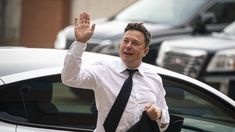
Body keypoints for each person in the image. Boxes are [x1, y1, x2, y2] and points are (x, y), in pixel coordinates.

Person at [61, 12, 170, 132]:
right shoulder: (103, 69)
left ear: (145, 51)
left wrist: (159, 114)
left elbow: (165, 123)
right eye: (125, 41)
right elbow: (69, 78)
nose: (128, 46)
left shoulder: (154, 78)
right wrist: (80, 43)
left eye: (135, 43)